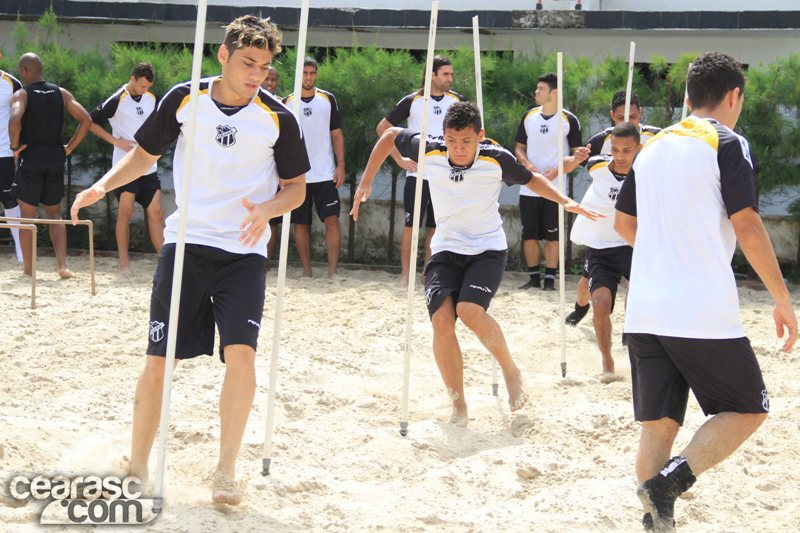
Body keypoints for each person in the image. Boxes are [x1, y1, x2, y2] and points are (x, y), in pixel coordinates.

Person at [70, 15, 309, 505]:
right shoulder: (184, 98)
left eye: (265, 66)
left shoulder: (278, 118)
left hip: (242, 253)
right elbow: (143, 155)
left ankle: (225, 473)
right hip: (185, 246)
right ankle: (136, 469)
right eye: (248, 63)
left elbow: (297, 190)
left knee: (241, 355)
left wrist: (267, 208)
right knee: (159, 359)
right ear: (222, 55)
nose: (257, 74)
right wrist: (101, 186)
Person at [614, 51, 797, 532]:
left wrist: (666, 250)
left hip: (645, 309)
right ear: (734, 96)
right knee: (748, 408)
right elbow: (748, 224)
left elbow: (623, 222)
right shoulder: (727, 141)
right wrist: (781, 296)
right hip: (698, 309)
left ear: (689, 96)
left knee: (658, 428)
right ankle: (669, 484)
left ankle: (655, 522)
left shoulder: (650, 146)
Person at [352, 101, 601, 427]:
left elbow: (532, 180)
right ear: (443, 136)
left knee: (469, 311)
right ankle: (459, 405)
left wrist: (566, 200)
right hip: (444, 249)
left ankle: (511, 371)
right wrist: (366, 181)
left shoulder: (496, 158)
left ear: (479, 136)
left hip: (486, 250)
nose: (458, 149)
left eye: (466, 142)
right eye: (452, 141)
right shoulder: (430, 149)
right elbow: (389, 137)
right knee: (442, 321)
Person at [567, 90, 661, 328]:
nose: (627, 122)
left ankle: (630, 329)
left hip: (633, 225)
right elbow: (571, 165)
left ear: (641, 113)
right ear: (612, 117)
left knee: (635, 283)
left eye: (633, 116)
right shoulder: (603, 139)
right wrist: (574, 158)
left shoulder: (657, 137)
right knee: (586, 284)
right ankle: (580, 307)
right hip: (603, 227)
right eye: (620, 118)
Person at [376, 55, 464, 285]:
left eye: (451, 74)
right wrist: (399, 158)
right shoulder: (412, 101)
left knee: (436, 228)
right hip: (417, 174)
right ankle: (406, 276)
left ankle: (428, 274)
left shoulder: (457, 101)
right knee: (411, 226)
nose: (450, 78)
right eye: (445, 74)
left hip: (445, 176)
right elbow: (383, 127)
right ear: (431, 75)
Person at [8, 52, 92, 278]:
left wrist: (15, 147)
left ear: (25, 72)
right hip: (55, 157)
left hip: (32, 157)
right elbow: (86, 119)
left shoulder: (22, 94)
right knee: (55, 214)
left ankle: (29, 269)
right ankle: (62, 266)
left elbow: (15, 120)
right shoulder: (61, 93)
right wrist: (70, 147)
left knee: (27, 218)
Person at [570, 123, 640, 376]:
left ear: (638, 149)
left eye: (627, 151)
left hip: (633, 245)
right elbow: (567, 166)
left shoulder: (647, 171)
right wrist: (573, 158)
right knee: (599, 302)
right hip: (601, 247)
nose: (620, 156)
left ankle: (635, 348)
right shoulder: (597, 164)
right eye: (615, 150)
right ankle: (607, 362)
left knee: (636, 303)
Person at [514, 72, 588, 291]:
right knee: (529, 235)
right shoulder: (529, 116)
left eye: (540, 89)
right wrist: (527, 166)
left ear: (554, 93)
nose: (536, 92)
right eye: (536, 88)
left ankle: (550, 280)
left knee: (552, 236)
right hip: (529, 187)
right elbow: (519, 148)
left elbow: (576, 155)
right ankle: (534, 278)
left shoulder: (568, 120)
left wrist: (556, 171)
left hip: (555, 190)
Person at [89, 62, 165, 276]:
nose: (145, 90)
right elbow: (90, 121)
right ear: (132, 79)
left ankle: (164, 262)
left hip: (148, 166)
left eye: (148, 87)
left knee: (157, 213)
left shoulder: (152, 99)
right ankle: (124, 264)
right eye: (142, 86)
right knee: (126, 211)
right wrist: (115, 140)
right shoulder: (117, 99)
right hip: (126, 167)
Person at [284, 58, 345, 278]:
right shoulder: (287, 102)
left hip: (325, 173)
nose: (308, 77)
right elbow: (282, 141)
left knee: (332, 220)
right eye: (304, 73)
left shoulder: (327, 99)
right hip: (298, 175)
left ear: (316, 74)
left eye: (312, 73)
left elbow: (336, 134)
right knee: (301, 224)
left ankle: (333, 272)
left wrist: (341, 165)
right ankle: (307, 271)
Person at [0, 54, 24, 263]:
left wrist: (18, 146)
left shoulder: (12, 83)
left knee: (8, 198)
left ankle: (19, 248)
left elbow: (23, 114)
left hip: (4, 152)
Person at [260, 65, 282, 264]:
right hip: (254, 170)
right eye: (266, 79)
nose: (269, 83)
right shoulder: (250, 104)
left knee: (272, 220)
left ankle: (265, 263)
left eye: (273, 80)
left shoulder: (283, 108)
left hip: (274, 172)